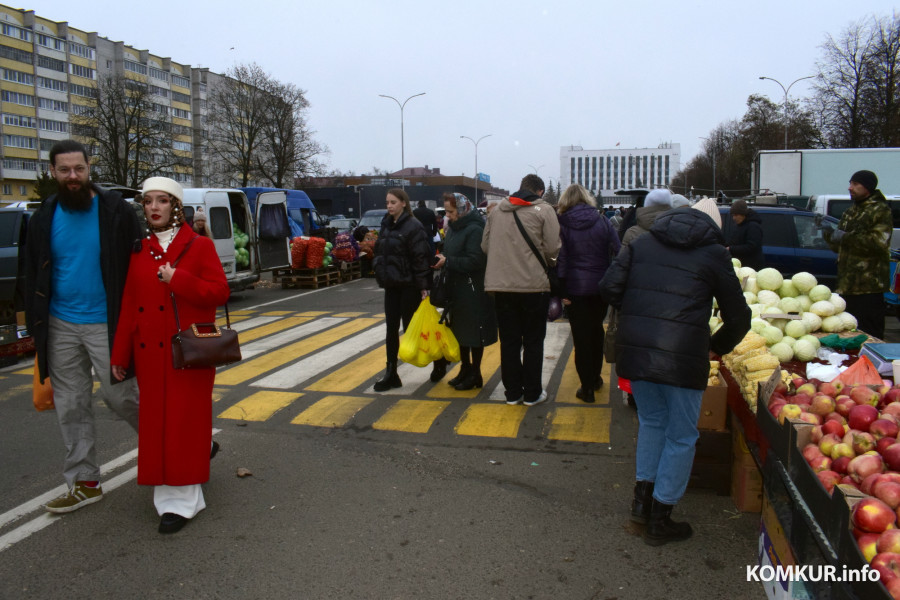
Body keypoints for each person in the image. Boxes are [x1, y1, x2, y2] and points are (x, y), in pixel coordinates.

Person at [599, 202, 750, 546]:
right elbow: (739, 318)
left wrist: (640, 311)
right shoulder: (714, 253)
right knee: (681, 436)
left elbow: (608, 288)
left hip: (637, 351)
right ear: (713, 225)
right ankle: (661, 517)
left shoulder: (641, 243)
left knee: (652, 423)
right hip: (683, 356)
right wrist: (717, 346)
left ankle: (641, 503)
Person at [24, 139, 141, 514]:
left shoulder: (115, 210)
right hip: (59, 324)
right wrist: (31, 322)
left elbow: (138, 264)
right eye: (64, 170)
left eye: (79, 169)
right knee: (71, 404)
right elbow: (31, 272)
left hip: (107, 322)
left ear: (90, 167)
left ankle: (177, 446)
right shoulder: (44, 215)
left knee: (121, 397)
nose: (72, 177)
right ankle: (85, 482)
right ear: (52, 172)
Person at [111, 177, 230, 534]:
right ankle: (167, 494)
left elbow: (220, 292)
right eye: (148, 201)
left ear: (176, 207)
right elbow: (130, 306)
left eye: (163, 201)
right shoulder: (140, 249)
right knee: (158, 426)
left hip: (188, 353)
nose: (154, 207)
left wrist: (177, 278)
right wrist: (120, 355)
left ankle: (183, 501)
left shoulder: (199, 246)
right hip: (149, 358)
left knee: (182, 422)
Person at [482, 174, 560, 406]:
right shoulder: (544, 210)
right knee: (534, 341)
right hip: (534, 286)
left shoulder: (496, 211)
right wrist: (549, 262)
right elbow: (553, 248)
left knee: (509, 341)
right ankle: (532, 393)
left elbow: (485, 246)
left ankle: (513, 393)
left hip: (502, 287)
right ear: (540, 192)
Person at [556, 185, 621, 403]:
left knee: (581, 337)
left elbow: (562, 258)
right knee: (596, 332)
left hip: (575, 289)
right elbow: (618, 248)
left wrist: (562, 289)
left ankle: (586, 388)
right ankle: (595, 378)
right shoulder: (602, 220)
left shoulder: (563, 223)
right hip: (600, 287)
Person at [372, 188, 436, 391]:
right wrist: (377, 267)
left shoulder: (413, 226)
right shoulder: (386, 224)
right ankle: (391, 372)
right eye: (387, 202)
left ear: (403, 203)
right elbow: (380, 250)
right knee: (391, 329)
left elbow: (420, 257)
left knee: (412, 330)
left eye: (392, 202)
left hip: (409, 285)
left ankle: (439, 361)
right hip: (391, 284)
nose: (389, 206)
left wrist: (423, 285)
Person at [432, 193, 497, 390]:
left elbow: (476, 260)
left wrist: (449, 261)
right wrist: (444, 258)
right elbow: (453, 253)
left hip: (473, 288)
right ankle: (465, 369)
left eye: (451, 212)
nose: (447, 216)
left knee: (474, 333)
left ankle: (475, 373)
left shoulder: (475, 229)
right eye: (446, 212)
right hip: (456, 287)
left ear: (462, 210)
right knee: (459, 332)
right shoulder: (453, 229)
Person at [823, 170, 893, 339]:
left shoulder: (880, 210)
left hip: (868, 286)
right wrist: (827, 233)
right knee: (849, 333)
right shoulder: (850, 212)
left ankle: (874, 365)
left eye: (855, 184)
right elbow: (839, 248)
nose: (850, 188)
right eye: (850, 183)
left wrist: (845, 237)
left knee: (870, 334)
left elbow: (878, 243)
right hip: (847, 285)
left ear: (867, 187)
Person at [727, 199, 764, 270]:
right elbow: (734, 241)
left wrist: (731, 249)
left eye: (736, 215)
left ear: (743, 214)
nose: (733, 218)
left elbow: (751, 247)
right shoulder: (739, 225)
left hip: (751, 267)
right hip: (741, 266)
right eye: (733, 215)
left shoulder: (753, 226)